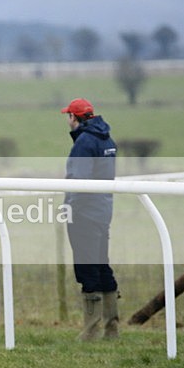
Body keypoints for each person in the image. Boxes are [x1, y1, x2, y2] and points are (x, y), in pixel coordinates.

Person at [61, 97, 120, 340]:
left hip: (84, 212)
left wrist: (69, 208)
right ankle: (111, 329)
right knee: (101, 265)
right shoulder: (107, 139)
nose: (68, 120)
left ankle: (91, 330)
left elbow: (80, 183)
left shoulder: (85, 142)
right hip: (103, 210)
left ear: (74, 117)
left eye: (68, 116)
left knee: (87, 269)